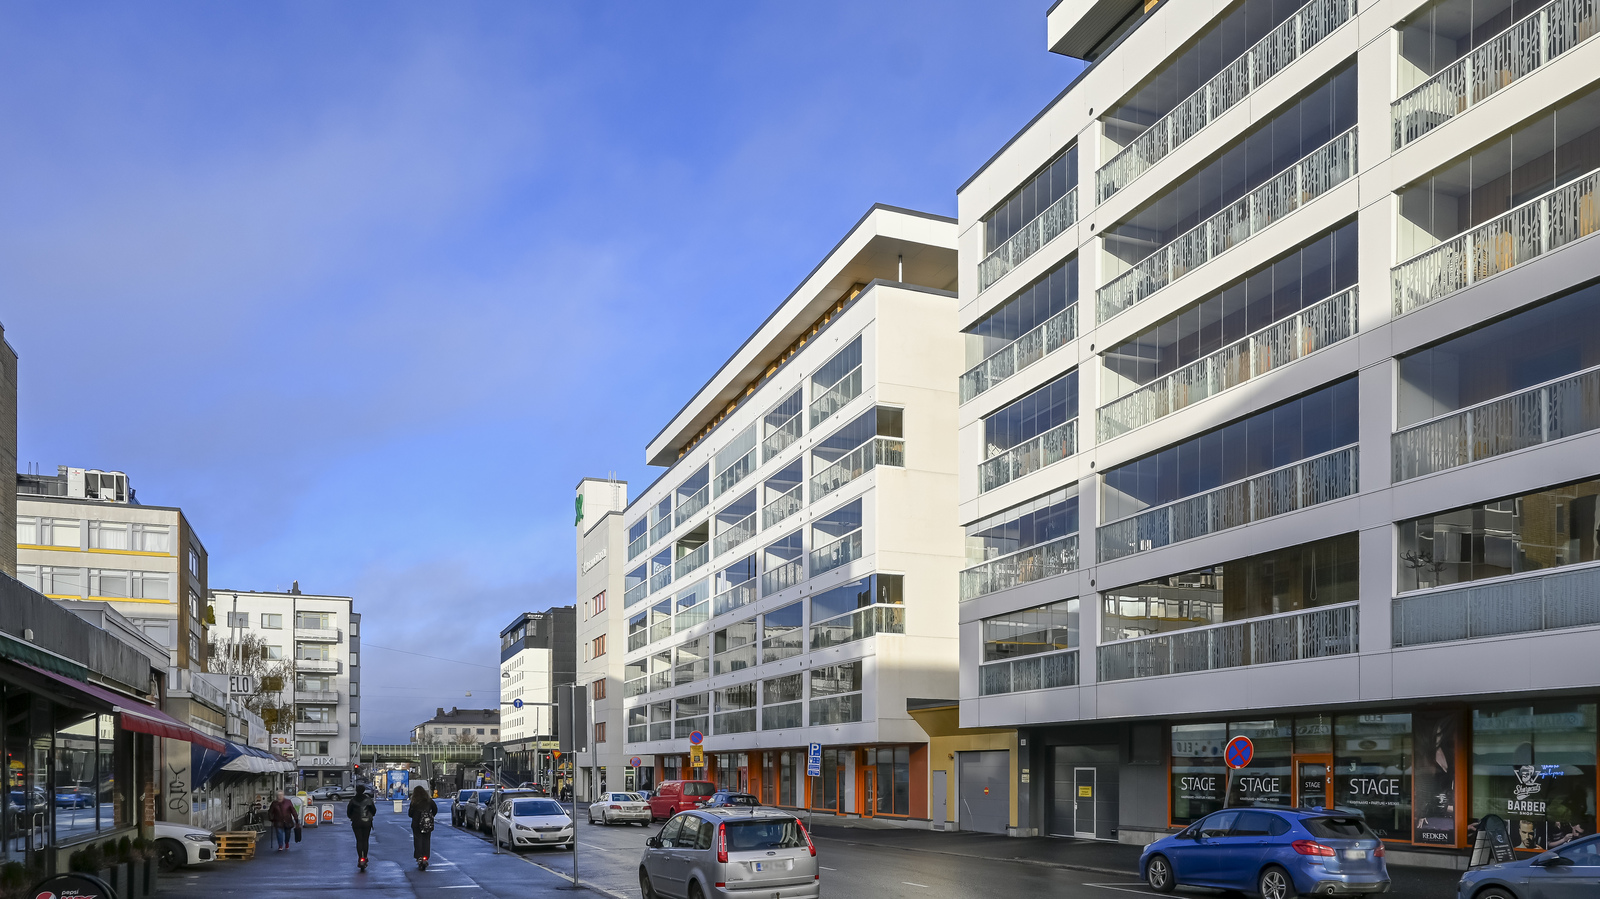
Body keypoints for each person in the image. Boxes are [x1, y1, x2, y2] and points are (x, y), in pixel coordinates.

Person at [347, 783, 377, 870]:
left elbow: (348, 812)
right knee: (365, 840)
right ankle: (365, 857)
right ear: (364, 790)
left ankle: (360, 858)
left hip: (356, 822)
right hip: (367, 822)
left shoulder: (353, 800)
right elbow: (374, 811)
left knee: (359, 840)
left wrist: (352, 817)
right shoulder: (368, 800)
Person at [408, 784, 438, 870]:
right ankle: (425, 856)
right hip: (427, 823)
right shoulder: (429, 801)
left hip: (416, 824)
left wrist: (415, 815)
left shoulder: (414, 802)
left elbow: (410, 814)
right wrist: (430, 816)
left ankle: (419, 856)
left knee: (418, 840)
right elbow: (435, 810)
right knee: (426, 840)